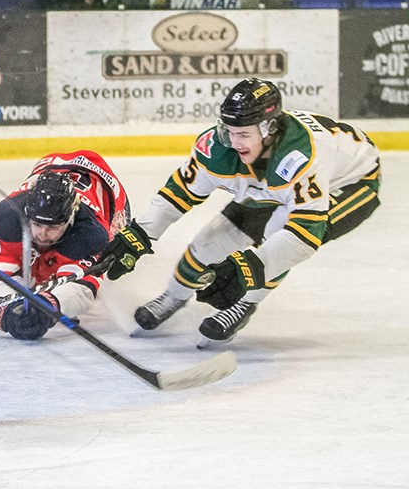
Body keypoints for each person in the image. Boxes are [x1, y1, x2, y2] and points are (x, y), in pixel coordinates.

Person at [98, 78, 381, 345]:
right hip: (277, 184)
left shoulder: (302, 157)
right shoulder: (218, 147)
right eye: (230, 131)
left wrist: (248, 271)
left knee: (277, 236)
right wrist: (140, 233)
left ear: (269, 128)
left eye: (244, 134)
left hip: (351, 184)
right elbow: (179, 193)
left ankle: (245, 304)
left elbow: (304, 236)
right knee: (210, 242)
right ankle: (172, 297)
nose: (234, 142)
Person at [0, 151, 130, 340]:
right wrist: (7, 311)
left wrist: (50, 305)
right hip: (50, 163)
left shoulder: (89, 235)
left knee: (50, 276)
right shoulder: (6, 220)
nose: (43, 235)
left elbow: (81, 287)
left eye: (53, 227)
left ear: (69, 221)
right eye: (37, 224)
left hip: (107, 187)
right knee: (31, 273)